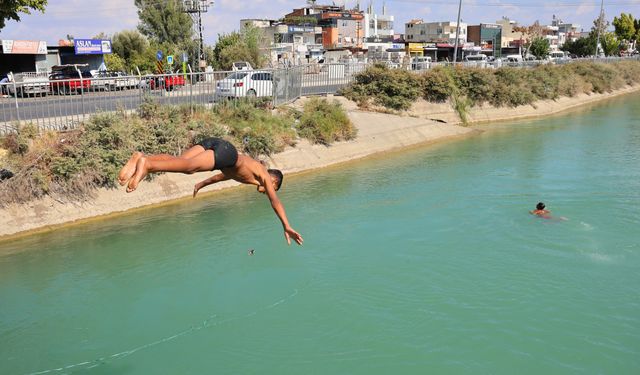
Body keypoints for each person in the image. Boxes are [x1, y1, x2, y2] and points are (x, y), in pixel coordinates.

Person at [118, 137, 303, 245]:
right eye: (273, 187)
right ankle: (147, 165)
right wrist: (286, 225)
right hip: (227, 153)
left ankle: (141, 158)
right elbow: (275, 201)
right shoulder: (263, 174)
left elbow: (221, 176)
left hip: (215, 144)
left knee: (180, 161)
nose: (267, 191)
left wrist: (201, 185)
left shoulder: (250, 174)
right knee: (189, 167)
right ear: (273, 180)